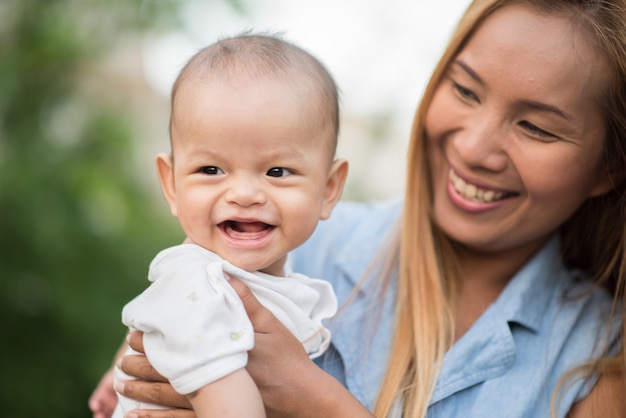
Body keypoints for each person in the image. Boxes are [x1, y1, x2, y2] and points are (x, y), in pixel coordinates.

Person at [92, 0, 626, 417]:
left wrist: (316, 404)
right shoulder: (287, 241)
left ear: (606, 168)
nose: (473, 148)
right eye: (464, 90)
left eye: (536, 127)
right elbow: (181, 286)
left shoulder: (600, 355)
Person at [99, 32, 349, 418]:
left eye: (277, 171)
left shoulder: (224, 279)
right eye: (211, 169)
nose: (245, 194)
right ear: (172, 185)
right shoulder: (203, 284)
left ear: (329, 189)